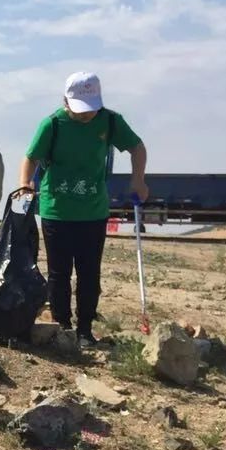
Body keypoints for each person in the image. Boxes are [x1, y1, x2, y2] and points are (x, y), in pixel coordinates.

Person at [16, 72, 147, 346]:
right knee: (59, 272)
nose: (86, 115)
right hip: (57, 212)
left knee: (89, 273)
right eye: (80, 109)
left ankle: (85, 329)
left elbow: (136, 147)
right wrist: (25, 184)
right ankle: (62, 327)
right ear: (65, 100)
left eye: (91, 109)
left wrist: (138, 179)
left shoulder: (110, 121)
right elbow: (31, 158)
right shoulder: (52, 124)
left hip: (93, 212)